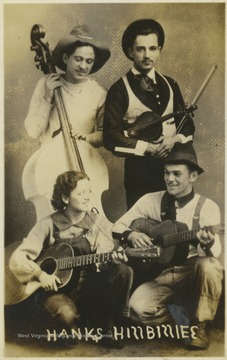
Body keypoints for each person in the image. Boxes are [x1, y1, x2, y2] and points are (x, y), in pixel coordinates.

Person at [112, 142, 223, 350]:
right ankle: (183, 316)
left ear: (193, 176)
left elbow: (216, 255)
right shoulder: (150, 200)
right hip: (161, 274)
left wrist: (207, 244)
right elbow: (118, 226)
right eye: (166, 173)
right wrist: (132, 233)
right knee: (137, 310)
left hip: (191, 273)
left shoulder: (207, 207)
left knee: (209, 265)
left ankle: (201, 323)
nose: (169, 179)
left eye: (177, 174)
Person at [9, 170, 133, 348]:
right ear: (65, 198)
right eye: (81, 193)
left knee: (123, 270)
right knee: (67, 321)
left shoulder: (97, 222)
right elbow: (18, 258)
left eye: (89, 191)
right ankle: (71, 323)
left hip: (88, 288)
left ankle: (104, 326)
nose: (87, 197)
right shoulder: (47, 224)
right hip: (57, 290)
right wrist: (41, 274)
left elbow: (105, 262)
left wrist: (113, 260)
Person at [103, 19, 195, 209]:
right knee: (143, 229)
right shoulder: (119, 90)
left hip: (174, 171)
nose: (147, 55)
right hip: (140, 175)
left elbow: (187, 125)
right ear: (130, 52)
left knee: (175, 227)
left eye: (153, 48)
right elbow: (111, 137)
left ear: (159, 49)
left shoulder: (171, 84)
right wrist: (148, 147)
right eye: (140, 49)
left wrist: (174, 140)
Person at [25, 25, 110, 146]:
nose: (83, 66)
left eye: (89, 61)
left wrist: (88, 137)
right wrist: (47, 98)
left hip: (84, 158)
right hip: (50, 158)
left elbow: (105, 134)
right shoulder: (46, 83)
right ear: (66, 58)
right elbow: (33, 132)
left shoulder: (99, 93)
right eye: (78, 59)